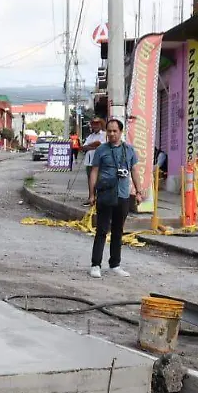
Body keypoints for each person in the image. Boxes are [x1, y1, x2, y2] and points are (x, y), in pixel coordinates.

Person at [87, 119, 142, 279]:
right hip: (105, 195)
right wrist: (91, 194)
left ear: (120, 132)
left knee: (118, 231)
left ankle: (115, 264)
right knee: (102, 230)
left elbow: (135, 172)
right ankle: (96, 264)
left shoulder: (129, 150)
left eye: (114, 131)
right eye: (109, 131)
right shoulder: (101, 150)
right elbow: (94, 172)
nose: (111, 134)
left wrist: (138, 191)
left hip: (123, 195)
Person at [80, 119, 107, 207]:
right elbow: (83, 147)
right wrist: (93, 146)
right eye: (93, 124)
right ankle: (91, 197)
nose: (95, 126)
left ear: (101, 125)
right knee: (90, 180)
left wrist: (90, 146)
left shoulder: (104, 135)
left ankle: (100, 199)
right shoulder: (90, 136)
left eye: (97, 124)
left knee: (100, 179)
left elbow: (99, 144)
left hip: (100, 161)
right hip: (89, 161)